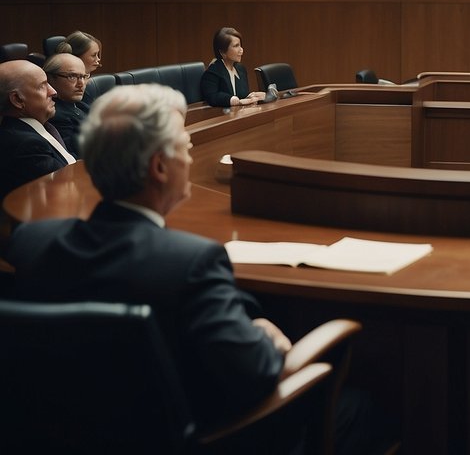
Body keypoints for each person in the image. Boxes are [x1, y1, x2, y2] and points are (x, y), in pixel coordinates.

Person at [4, 84, 289, 426]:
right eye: (185, 147)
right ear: (159, 168)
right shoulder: (192, 262)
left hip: (52, 434)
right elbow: (254, 374)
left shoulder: (30, 242)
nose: (190, 155)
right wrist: (266, 334)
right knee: (356, 408)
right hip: (188, 438)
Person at [0, 59, 74, 197]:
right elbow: (67, 189)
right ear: (17, 100)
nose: (53, 91)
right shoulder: (24, 144)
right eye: (42, 86)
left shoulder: (39, 127)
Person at [200, 27, 266, 108]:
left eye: (240, 45)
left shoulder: (241, 69)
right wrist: (233, 100)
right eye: (236, 46)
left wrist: (252, 96)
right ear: (222, 52)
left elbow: (242, 96)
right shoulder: (213, 72)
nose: (241, 50)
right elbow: (212, 97)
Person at [44, 52, 90, 157]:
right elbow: (76, 157)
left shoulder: (80, 105)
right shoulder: (56, 115)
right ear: (50, 79)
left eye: (84, 76)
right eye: (72, 76)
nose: (81, 84)